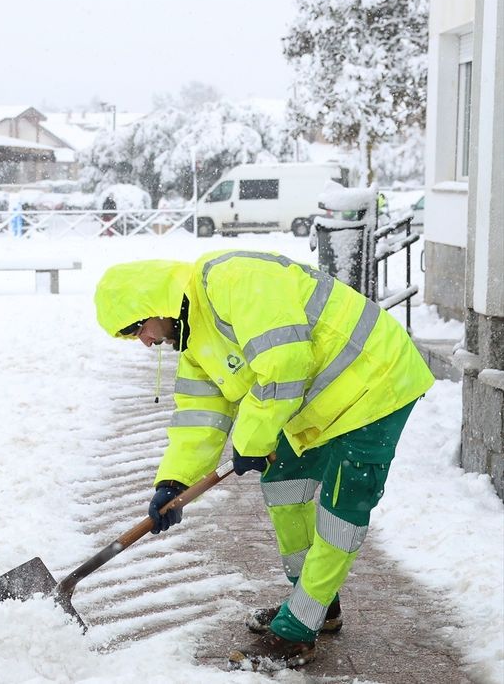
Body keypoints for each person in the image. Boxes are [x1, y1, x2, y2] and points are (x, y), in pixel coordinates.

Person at [93, 251, 433, 672]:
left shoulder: (231, 280)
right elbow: (200, 418)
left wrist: (252, 438)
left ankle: (296, 633)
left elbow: (285, 363)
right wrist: (175, 483)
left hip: (375, 383)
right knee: (283, 484)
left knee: (341, 514)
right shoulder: (195, 337)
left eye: (135, 327)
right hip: (319, 402)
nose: (142, 341)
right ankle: (313, 604)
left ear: (152, 304)